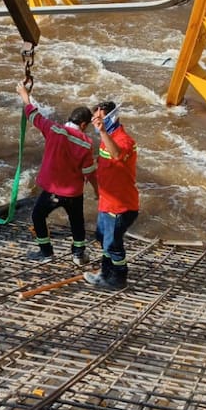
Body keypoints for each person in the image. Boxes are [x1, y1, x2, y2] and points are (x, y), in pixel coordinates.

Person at [16, 82, 97, 265]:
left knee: (38, 216)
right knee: (77, 222)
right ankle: (78, 255)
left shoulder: (53, 129)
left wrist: (23, 94)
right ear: (84, 124)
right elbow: (89, 172)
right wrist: (98, 191)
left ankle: (46, 252)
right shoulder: (86, 143)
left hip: (52, 190)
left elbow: (33, 114)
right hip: (74, 193)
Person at [84, 100, 139, 288]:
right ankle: (105, 273)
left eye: (98, 119)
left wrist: (102, 132)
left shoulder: (124, 140)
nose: (95, 123)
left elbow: (117, 155)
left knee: (113, 246)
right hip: (106, 202)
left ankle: (119, 279)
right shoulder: (108, 137)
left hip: (120, 205)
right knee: (102, 238)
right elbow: (106, 159)